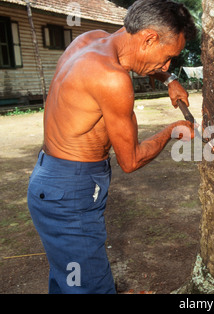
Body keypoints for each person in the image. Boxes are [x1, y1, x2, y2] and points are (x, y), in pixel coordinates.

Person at [27, 0, 197, 294]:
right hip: (72, 193)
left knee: (69, 280)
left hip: (50, 180)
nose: (167, 64)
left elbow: (132, 60)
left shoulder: (89, 40)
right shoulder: (113, 80)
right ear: (148, 38)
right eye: (168, 57)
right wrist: (172, 131)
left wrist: (168, 78)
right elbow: (130, 161)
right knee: (89, 287)